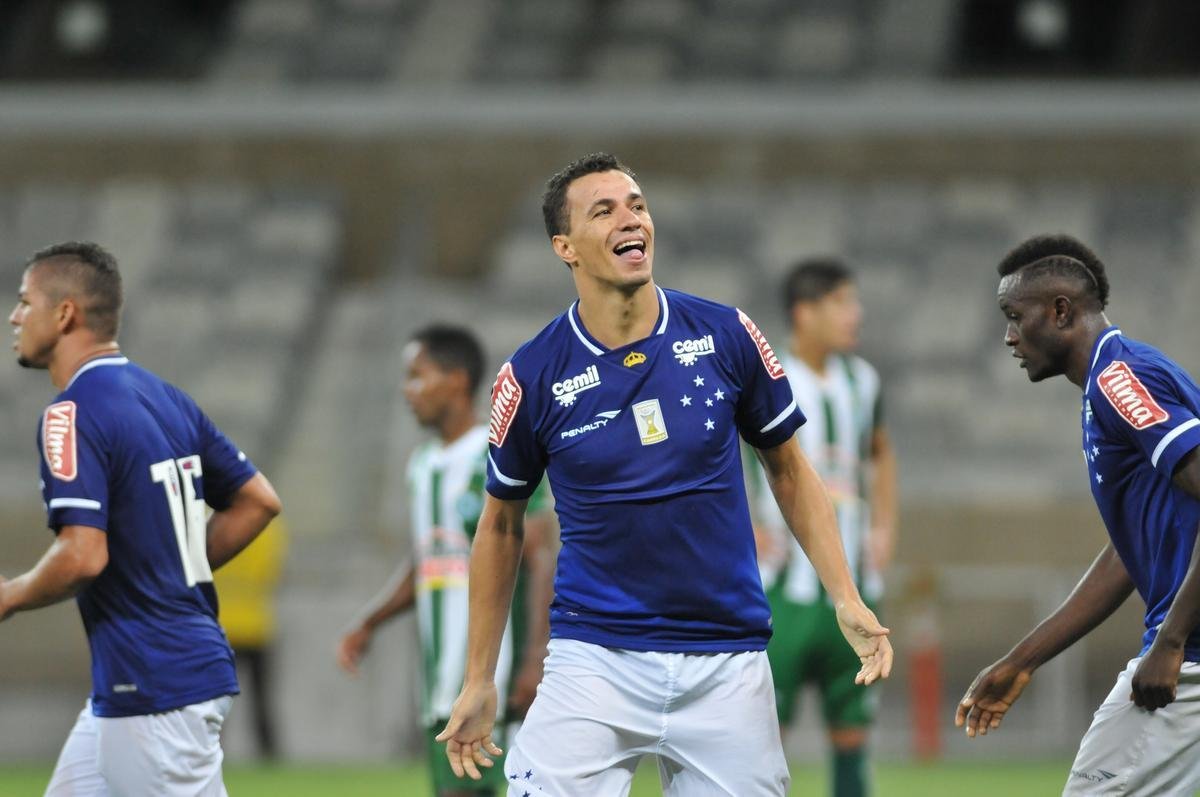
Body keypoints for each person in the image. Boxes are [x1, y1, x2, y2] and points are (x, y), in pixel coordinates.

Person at [436, 152, 892, 797]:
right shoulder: (532, 374)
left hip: (727, 662)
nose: (631, 220)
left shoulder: (727, 334)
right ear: (565, 247)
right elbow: (501, 525)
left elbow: (790, 470)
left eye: (638, 206)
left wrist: (844, 594)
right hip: (595, 659)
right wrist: (480, 677)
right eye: (604, 211)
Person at [0, 241, 282, 796]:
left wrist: (11, 595)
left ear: (64, 314)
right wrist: (170, 565)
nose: (14, 316)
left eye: (25, 301)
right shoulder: (165, 397)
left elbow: (82, 555)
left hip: (155, 682)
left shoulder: (71, 413)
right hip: (143, 678)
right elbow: (259, 501)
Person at [957, 234, 1200, 794]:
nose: (1009, 336)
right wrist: (1023, 660)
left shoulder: (1120, 380)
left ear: (1060, 311)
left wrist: (1170, 641)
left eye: (1014, 316)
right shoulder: (1111, 383)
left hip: (1189, 657)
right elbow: (1127, 553)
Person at [336, 324, 556, 797]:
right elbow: (428, 561)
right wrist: (371, 621)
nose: (407, 390)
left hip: (496, 676)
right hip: (439, 681)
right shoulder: (422, 464)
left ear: (456, 380)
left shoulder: (497, 454)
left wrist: (535, 657)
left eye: (417, 375)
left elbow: (541, 556)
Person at [747, 258, 898, 797]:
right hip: (782, 589)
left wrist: (884, 527)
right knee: (764, 736)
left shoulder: (863, 382)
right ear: (804, 312)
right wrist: (748, 523)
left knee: (853, 733)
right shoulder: (768, 377)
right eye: (841, 303)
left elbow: (881, 453)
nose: (855, 315)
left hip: (854, 586)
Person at [213, 515, 289, 760]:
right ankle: (267, 755)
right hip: (256, 624)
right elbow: (273, 571)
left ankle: (213, 753)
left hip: (220, 626)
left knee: (216, 702)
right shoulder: (268, 526)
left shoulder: (208, 522)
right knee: (261, 700)